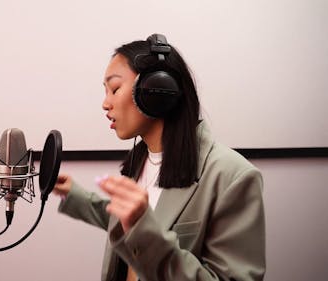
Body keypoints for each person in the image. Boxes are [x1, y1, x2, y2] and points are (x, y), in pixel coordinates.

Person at [52, 34, 266, 281]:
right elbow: (126, 221)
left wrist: (146, 232)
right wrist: (74, 194)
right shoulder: (141, 160)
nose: (105, 104)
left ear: (157, 90)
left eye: (114, 89)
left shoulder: (233, 177)